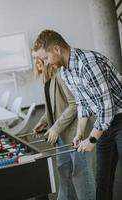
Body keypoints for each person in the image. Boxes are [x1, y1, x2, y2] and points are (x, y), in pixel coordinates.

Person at [33, 29, 122, 200]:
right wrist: (80, 133)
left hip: (119, 118)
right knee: (103, 179)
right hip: (104, 123)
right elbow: (82, 103)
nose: (45, 63)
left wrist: (92, 139)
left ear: (57, 50)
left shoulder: (88, 63)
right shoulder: (66, 71)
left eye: (45, 58)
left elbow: (107, 107)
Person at [32, 57, 95, 200]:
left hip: (76, 134)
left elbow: (75, 105)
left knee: (81, 176)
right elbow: (55, 107)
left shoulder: (61, 74)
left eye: (39, 58)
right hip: (60, 135)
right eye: (34, 58)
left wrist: (55, 128)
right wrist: (43, 121)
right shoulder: (47, 80)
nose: (36, 62)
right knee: (65, 174)